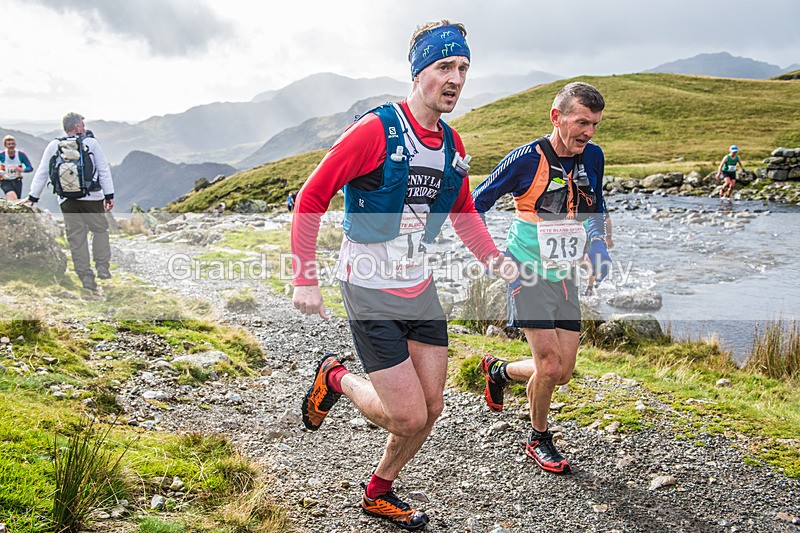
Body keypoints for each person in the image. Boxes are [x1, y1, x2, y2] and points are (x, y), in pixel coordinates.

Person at [291, 20, 516, 530]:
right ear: (418, 73)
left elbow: (462, 210)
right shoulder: (377, 130)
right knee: (408, 415)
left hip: (418, 286)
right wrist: (306, 277)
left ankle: (378, 491)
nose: (455, 78)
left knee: (431, 407)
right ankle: (337, 377)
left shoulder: (450, 143)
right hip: (368, 286)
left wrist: (494, 259)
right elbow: (311, 196)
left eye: (463, 68)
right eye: (444, 67)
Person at [472, 82, 610, 474]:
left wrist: (597, 244)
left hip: (565, 274)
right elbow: (473, 205)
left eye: (595, 124)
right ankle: (539, 438)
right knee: (548, 366)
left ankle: (497, 371)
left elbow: (594, 207)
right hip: (526, 270)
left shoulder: (594, 157)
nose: (589, 132)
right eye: (582, 122)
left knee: (562, 373)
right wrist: (491, 256)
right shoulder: (525, 160)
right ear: (557, 117)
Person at [21, 113, 114, 291]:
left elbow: (42, 172)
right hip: (92, 198)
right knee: (100, 230)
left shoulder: (54, 145)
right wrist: (109, 195)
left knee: (76, 238)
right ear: (78, 127)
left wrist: (33, 197)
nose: (85, 127)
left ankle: (86, 278)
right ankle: (102, 267)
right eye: (83, 124)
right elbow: (103, 170)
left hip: (67, 200)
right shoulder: (91, 143)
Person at [0, 135, 34, 201]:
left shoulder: (21, 155)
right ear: (5, 145)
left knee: (16, 201)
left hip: (17, 180)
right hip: (5, 180)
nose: (11, 145)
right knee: (13, 197)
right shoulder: (2, 155)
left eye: (13, 144)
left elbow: (30, 167)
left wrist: (22, 169)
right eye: (9, 144)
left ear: (15, 144)